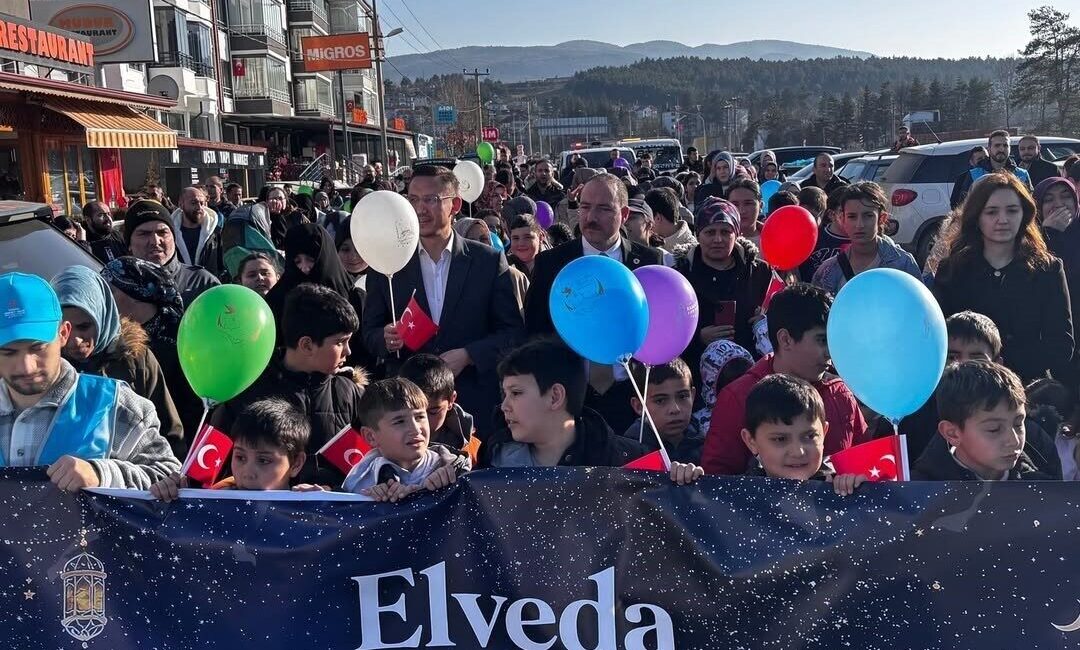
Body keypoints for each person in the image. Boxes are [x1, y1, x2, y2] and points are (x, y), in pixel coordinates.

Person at [363, 166, 524, 436]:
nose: (420, 209)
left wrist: (469, 355)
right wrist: (385, 338)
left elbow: (512, 333)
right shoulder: (387, 263)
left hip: (473, 401)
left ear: (455, 204)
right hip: (408, 410)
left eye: (431, 199)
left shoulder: (487, 261)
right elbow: (369, 332)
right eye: (413, 200)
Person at [0, 272, 180, 489]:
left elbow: (171, 479)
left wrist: (102, 474)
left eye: (38, 348)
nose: (26, 367)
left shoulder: (114, 405)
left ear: (63, 333)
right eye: (8, 352)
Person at [484, 339, 704, 485]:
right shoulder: (492, 460)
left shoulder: (628, 460)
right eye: (505, 394)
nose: (505, 406)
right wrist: (451, 477)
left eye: (516, 393)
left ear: (555, 397)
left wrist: (681, 480)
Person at [702, 283, 868, 474]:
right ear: (785, 339)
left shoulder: (840, 393)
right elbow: (716, 484)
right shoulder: (738, 398)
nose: (830, 352)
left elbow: (867, 470)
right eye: (822, 340)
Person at [211, 284, 367, 485]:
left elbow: (371, 469)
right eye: (340, 342)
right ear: (307, 345)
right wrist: (178, 483)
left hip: (333, 515)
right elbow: (205, 468)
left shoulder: (351, 394)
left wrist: (332, 489)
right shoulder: (245, 393)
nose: (348, 351)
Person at [933, 173, 1073, 384]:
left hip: (1027, 389)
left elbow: (1061, 345)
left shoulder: (1048, 269)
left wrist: (1005, 366)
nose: (1003, 220)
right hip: (966, 388)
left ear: (1024, 215)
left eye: (1012, 210)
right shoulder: (953, 270)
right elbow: (938, 337)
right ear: (977, 217)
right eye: (991, 212)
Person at [51, 265, 184, 456]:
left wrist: (168, 477)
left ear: (102, 315)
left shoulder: (135, 357)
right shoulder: (43, 365)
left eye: (85, 326)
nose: (75, 340)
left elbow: (168, 432)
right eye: (64, 330)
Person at [676, 197, 771, 377]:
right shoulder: (681, 276)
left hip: (752, 372)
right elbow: (669, 328)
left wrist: (763, 321)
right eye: (710, 232)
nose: (718, 239)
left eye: (726, 232)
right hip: (696, 374)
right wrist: (698, 337)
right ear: (698, 234)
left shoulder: (759, 272)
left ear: (736, 234)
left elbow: (777, 317)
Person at [911, 361, 1052, 480]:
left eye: (1018, 424)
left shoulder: (1043, 490)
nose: (1014, 440)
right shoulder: (918, 495)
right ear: (952, 433)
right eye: (994, 429)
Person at [150, 398, 311, 499]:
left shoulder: (311, 515)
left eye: (263, 460)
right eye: (240, 457)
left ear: (296, 463)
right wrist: (170, 497)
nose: (247, 473)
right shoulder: (212, 501)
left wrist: (324, 507)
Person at [341, 377, 469, 501]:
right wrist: (377, 504)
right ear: (371, 436)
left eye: (420, 417)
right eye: (400, 421)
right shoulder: (359, 483)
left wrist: (448, 490)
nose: (416, 429)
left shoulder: (454, 469)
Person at [266, 223, 371, 370]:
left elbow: (366, 352)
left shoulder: (354, 298)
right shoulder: (276, 300)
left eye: (311, 259)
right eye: (297, 261)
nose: (305, 268)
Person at [740, 375, 866, 496]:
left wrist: (856, 493)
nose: (798, 452)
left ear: (824, 433)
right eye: (780, 439)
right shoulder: (736, 498)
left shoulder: (837, 488)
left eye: (810, 436)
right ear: (751, 441)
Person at [812, 182, 920, 294]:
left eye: (868, 216)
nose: (860, 225)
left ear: (882, 218)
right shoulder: (828, 272)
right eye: (852, 217)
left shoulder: (903, 264)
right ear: (842, 219)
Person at [123, 199, 220, 307]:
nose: (155, 241)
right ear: (129, 244)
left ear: (174, 238)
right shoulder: (116, 289)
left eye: (162, 232)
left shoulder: (203, 283)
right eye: (144, 234)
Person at [398, 353, 478, 464]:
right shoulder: (384, 446)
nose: (422, 422)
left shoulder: (473, 449)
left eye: (432, 412)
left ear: (451, 400)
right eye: (415, 413)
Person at [622, 358, 704, 464]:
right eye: (660, 400)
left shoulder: (706, 441)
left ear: (692, 396)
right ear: (639, 406)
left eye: (682, 396)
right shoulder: (629, 451)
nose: (675, 409)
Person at [951, 130, 1033, 209]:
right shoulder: (974, 175)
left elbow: (1029, 205)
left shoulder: (1022, 174)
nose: (1001, 149)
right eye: (997, 145)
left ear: (1010, 148)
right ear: (989, 149)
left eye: (1005, 145)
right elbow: (963, 206)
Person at [693, 339, 754, 433]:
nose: (740, 392)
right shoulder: (699, 425)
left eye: (746, 382)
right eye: (731, 384)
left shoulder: (762, 415)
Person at [171, 186, 222, 276]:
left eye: (202, 203)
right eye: (193, 203)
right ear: (181, 205)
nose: (199, 207)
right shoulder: (169, 235)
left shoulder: (215, 233)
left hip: (209, 286)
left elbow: (221, 266)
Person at [647, 187, 697, 259]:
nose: (645, 223)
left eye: (646, 217)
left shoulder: (692, 252)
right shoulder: (646, 243)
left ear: (657, 218)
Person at [335, 217, 369, 292]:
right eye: (345, 249)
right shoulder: (327, 286)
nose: (353, 257)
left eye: (359, 249)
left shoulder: (387, 282)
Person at [727, 178, 765, 245]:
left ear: (760, 206)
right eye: (735, 204)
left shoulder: (775, 237)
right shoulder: (720, 241)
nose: (742, 211)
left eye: (748, 203)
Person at [506, 213, 544, 280]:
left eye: (527, 237)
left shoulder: (551, 265)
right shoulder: (504, 267)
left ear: (540, 237)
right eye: (515, 238)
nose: (521, 243)